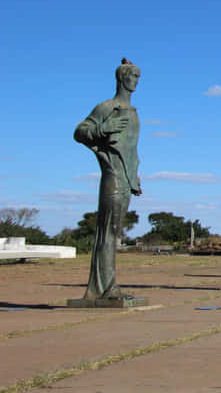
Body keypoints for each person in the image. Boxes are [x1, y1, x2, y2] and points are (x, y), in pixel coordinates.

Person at [74, 58, 142, 299]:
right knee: (108, 231)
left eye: (138, 77)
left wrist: (134, 176)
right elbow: (80, 132)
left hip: (125, 178)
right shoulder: (107, 108)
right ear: (122, 77)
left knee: (114, 231)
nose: (136, 81)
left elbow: (130, 149)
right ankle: (104, 288)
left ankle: (107, 287)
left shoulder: (132, 112)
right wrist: (103, 129)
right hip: (112, 175)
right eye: (133, 76)